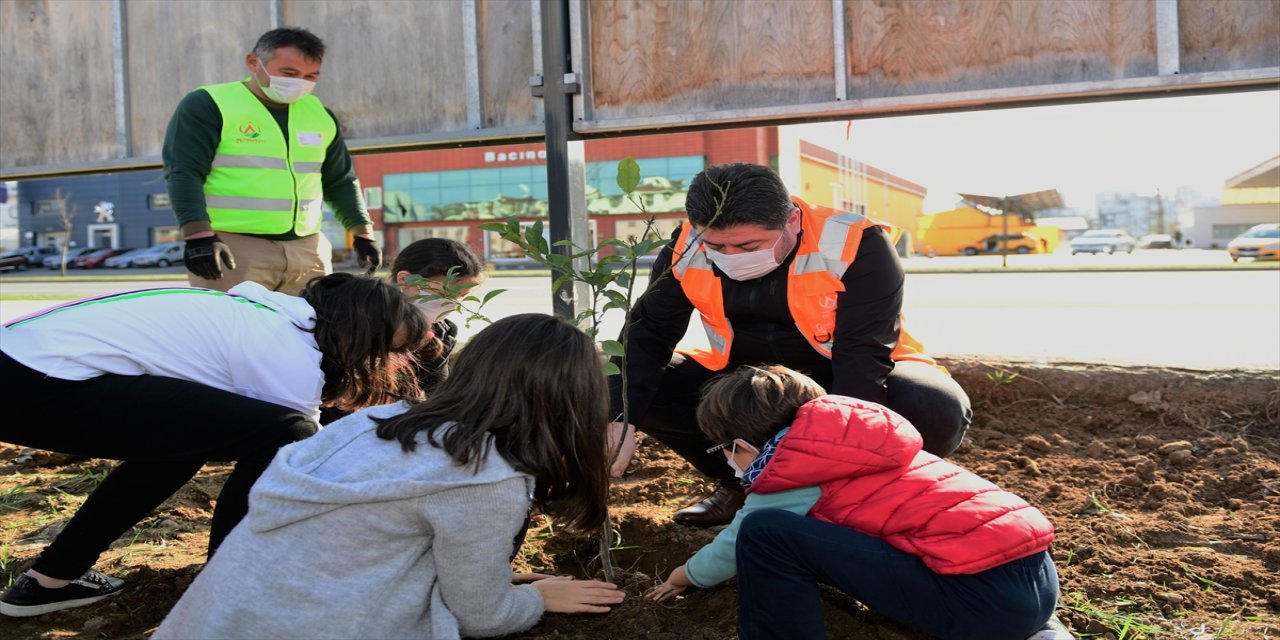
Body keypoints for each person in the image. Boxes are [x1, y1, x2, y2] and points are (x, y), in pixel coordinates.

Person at [154, 314, 624, 639]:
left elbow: (355, 542)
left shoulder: (377, 423)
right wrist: (538, 599)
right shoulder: (483, 478)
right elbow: (484, 617)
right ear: (570, 404)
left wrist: (480, 572)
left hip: (217, 618)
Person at [0, 273, 425, 618]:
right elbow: (303, 455)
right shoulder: (287, 348)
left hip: (24, 369)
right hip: (40, 381)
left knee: (182, 443)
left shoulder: (273, 313)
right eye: (386, 352)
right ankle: (229, 588)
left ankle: (51, 580)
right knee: (284, 433)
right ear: (357, 335)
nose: (389, 366)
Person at [607, 162, 971, 526]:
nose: (731, 257)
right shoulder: (686, 244)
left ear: (792, 221)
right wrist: (622, 420)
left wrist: (837, 450)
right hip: (747, 383)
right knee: (631, 387)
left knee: (933, 407)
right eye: (715, 245)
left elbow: (863, 354)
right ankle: (744, 484)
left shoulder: (853, 242)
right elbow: (648, 332)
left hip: (847, 375)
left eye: (749, 245)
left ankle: (859, 494)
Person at [648, 365, 1060, 640]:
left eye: (725, 450)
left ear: (741, 444)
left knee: (764, 532)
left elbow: (734, 544)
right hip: (1038, 586)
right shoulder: (860, 445)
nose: (726, 461)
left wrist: (685, 576)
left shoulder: (790, 472)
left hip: (981, 607)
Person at [163, 27, 381, 296]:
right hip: (234, 249)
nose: (300, 82)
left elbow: (340, 180)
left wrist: (362, 232)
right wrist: (198, 237)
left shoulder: (319, 114)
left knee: (311, 335)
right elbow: (184, 172)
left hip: (308, 250)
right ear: (254, 62)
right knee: (235, 335)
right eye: (289, 73)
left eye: (310, 76)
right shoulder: (210, 104)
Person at [319, 237, 485, 426]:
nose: (454, 303)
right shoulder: (359, 323)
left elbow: (435, 397)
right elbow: (331, 398)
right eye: (446, 293)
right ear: (405, 280)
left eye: (462, 296)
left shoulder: (442, 333)